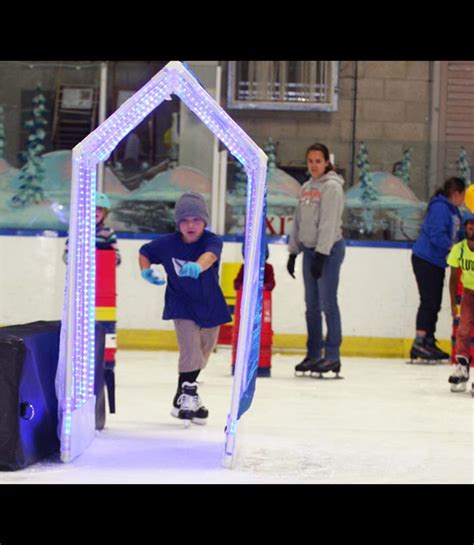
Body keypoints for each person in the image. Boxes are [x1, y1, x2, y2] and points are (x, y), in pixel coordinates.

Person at [139, 192, 231, 426]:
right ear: (178, 223)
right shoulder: (167, 244)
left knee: (204, 351)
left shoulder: (212, 240)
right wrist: (146, 270)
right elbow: (145, 252)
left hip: (210, 303)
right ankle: (188, 395)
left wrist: (198, 266)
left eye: (196, 220)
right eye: (185, 221)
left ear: (205, 222)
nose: (190, 225)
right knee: (190, 349)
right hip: (181, 303)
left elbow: (210, 256)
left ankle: (184, 396)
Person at [287, 142, 345, 377]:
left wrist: (322, 253)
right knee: (311, 306)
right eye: (310, 161)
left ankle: (332, 356)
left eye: (318, 161)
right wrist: (293, 251)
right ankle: (314, 354)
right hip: (310, 252)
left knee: (327, 304)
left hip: (328, 252)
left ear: (326, 162)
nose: (313, 165)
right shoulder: (305, 188)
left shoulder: (332, 188)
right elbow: (298, 220)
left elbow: (329, 223)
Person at [410, 177, 465, 361]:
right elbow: (436, 235)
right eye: (462, 196)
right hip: (426, 259)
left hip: (436, 261)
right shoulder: (440, 208)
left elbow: (458, 233)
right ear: (456, 193)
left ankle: (429, 341)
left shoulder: (453, 210)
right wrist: (452, 248)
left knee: (434, 302)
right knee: (428, 301)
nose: (463, 200)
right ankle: (419, 342)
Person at [447, 211, 474, 392]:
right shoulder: (459, 249)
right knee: (463, 330)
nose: (472, 227)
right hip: (468, 293)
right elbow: (454, 278)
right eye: (469, 224)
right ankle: (462, 367)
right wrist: (452, 304)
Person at [63, 191, 121, 266]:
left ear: (105, 214)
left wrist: (108, 256)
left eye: (100, 209)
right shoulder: (77, 231)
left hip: (102, 272)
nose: (96, 212)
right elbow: (66, 255)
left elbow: (117, 259)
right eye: (92, 208)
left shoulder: (108, 233)